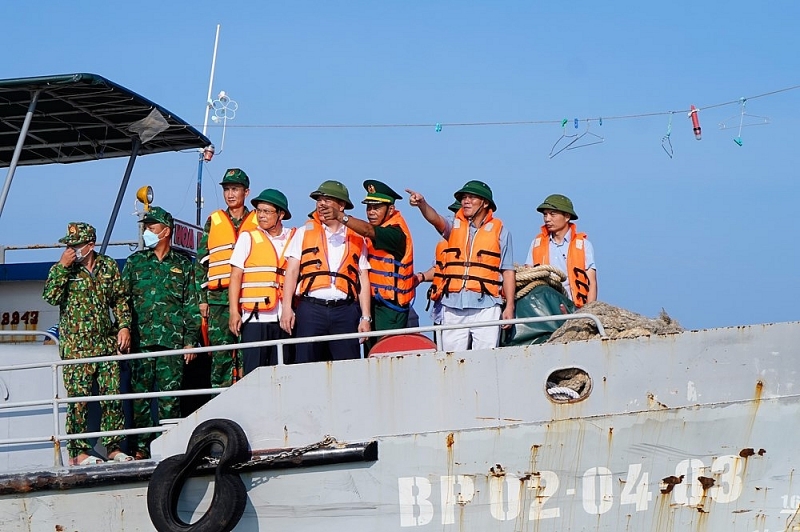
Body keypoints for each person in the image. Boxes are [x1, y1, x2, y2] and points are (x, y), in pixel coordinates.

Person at [42, 222, 132, 465]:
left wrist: (124, 326)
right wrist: (62, 267)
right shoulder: (63, 269)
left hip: (105, 344)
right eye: (68, 245)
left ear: (90, 245)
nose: (71, 249)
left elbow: (120, 299)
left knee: (112, 397)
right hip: (76, 348)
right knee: (78, 400)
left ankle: (113, 448)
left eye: (76, 245)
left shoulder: (108, 266)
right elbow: (50, 297)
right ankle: (78, 452)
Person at [122, 207, 199, 459]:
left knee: (170, 398)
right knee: (141, 398)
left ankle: (169, 446)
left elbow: (191, 304)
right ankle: (143, 447)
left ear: (166, 231)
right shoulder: (135, 263)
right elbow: (122, 300)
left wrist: (190, 341)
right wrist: (123, 329)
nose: (147, 232)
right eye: (146, 228)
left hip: (171, 342)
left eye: (152, 228)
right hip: (141, 341)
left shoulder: (183, 265)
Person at [407, 181, 515, 351]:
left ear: (485, 203)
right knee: (451, 358)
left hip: (486, 306)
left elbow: (507, 271)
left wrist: (509, 306)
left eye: (471, 197)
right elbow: (435, 218)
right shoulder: (453, 225)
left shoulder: (501, 232)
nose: (466, 201)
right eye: (464, 197)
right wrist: (422, 204)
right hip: (452, 304)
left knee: (485, 358)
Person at [280, 180, 372, 363]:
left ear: (342, 205)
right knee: (306, 365)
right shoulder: (304, 232)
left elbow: (363, 279)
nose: (321, 204)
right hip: (311, 309)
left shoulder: (356, 237)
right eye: (319, 200)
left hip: (345, 311)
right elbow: (291, 272)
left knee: (348, 367)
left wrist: (366, 317)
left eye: (327, 200)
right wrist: (286, 308)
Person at [319, 180, 416, 353]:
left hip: (390, 309)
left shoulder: (395, 233)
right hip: (370, 305)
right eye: (368, 207)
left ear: (390, 210)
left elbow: (369, 231)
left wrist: (340, 216)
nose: (371, 212)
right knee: (371, 353)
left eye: (376, 207)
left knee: (388, 353)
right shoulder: (370, 231)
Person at [196, 168, 258, 387]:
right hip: (218, 299)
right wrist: (202, 299)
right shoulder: (213, 221)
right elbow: (201, 261)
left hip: (248, 297)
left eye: (235, 189)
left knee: (248, 356)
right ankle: (220, 404)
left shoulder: (258, 220)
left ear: (246, 192)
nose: (230, 194)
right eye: (227, 189)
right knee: (221, 357)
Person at [228, 189, 297, 371]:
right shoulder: (248, 237)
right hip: (254, 318)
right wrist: (234, 312)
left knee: (284, 374)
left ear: (281, 214)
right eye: (259, 211)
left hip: (285, 318)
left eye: (267, 211)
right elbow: (235, 276)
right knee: (254, 374)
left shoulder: (294, 237)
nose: (261, 216)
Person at [526, 194, 597, 307]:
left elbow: (592, 283)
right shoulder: (536, 243)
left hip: (574, 307)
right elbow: (528, 274)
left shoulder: (583, 245)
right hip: (544, 306)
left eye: (552, 214)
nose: (547, 219)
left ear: (567, 216)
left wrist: (588, 313)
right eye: (545, 214)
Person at [416, 200, 462, 329]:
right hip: (442, 310)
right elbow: (438, 269)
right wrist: (421, 277)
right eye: (455, 214)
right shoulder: (444, 243)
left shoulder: (483, 243)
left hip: (469, 309)